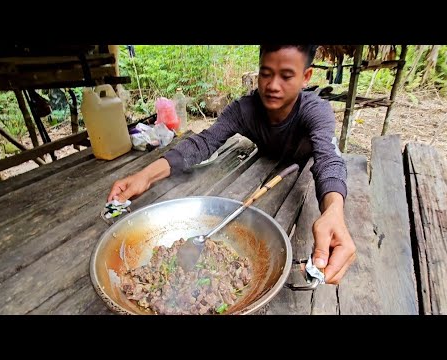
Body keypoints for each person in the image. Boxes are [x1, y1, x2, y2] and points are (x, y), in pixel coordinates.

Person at [108, 45, 356, 284]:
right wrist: (147, 176)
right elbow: (203, 143)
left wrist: (334, 210)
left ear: (306, 77)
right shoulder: (245, 109)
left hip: (303, 177)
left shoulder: (315, 111)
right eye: (266, 74)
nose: (272, 86)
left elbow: (329, 159)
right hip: (261, 170)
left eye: (286, 76)